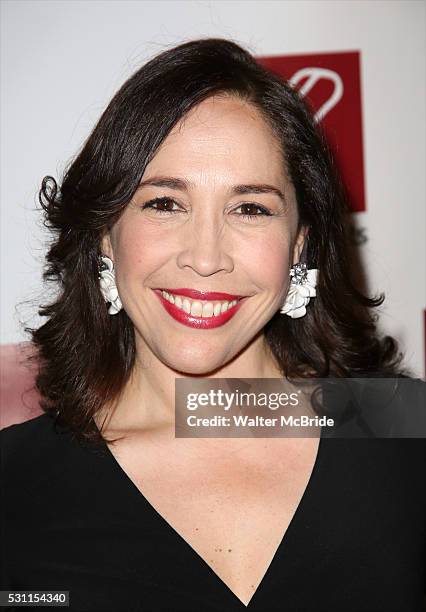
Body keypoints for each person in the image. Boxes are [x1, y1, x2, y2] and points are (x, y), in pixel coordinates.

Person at [1, 38, 424, 612]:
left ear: (299, 244)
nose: (205, 257)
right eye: (165, 204)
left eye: (250, 207)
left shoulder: (404, 428)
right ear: (105, 232)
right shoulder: (14, 483)